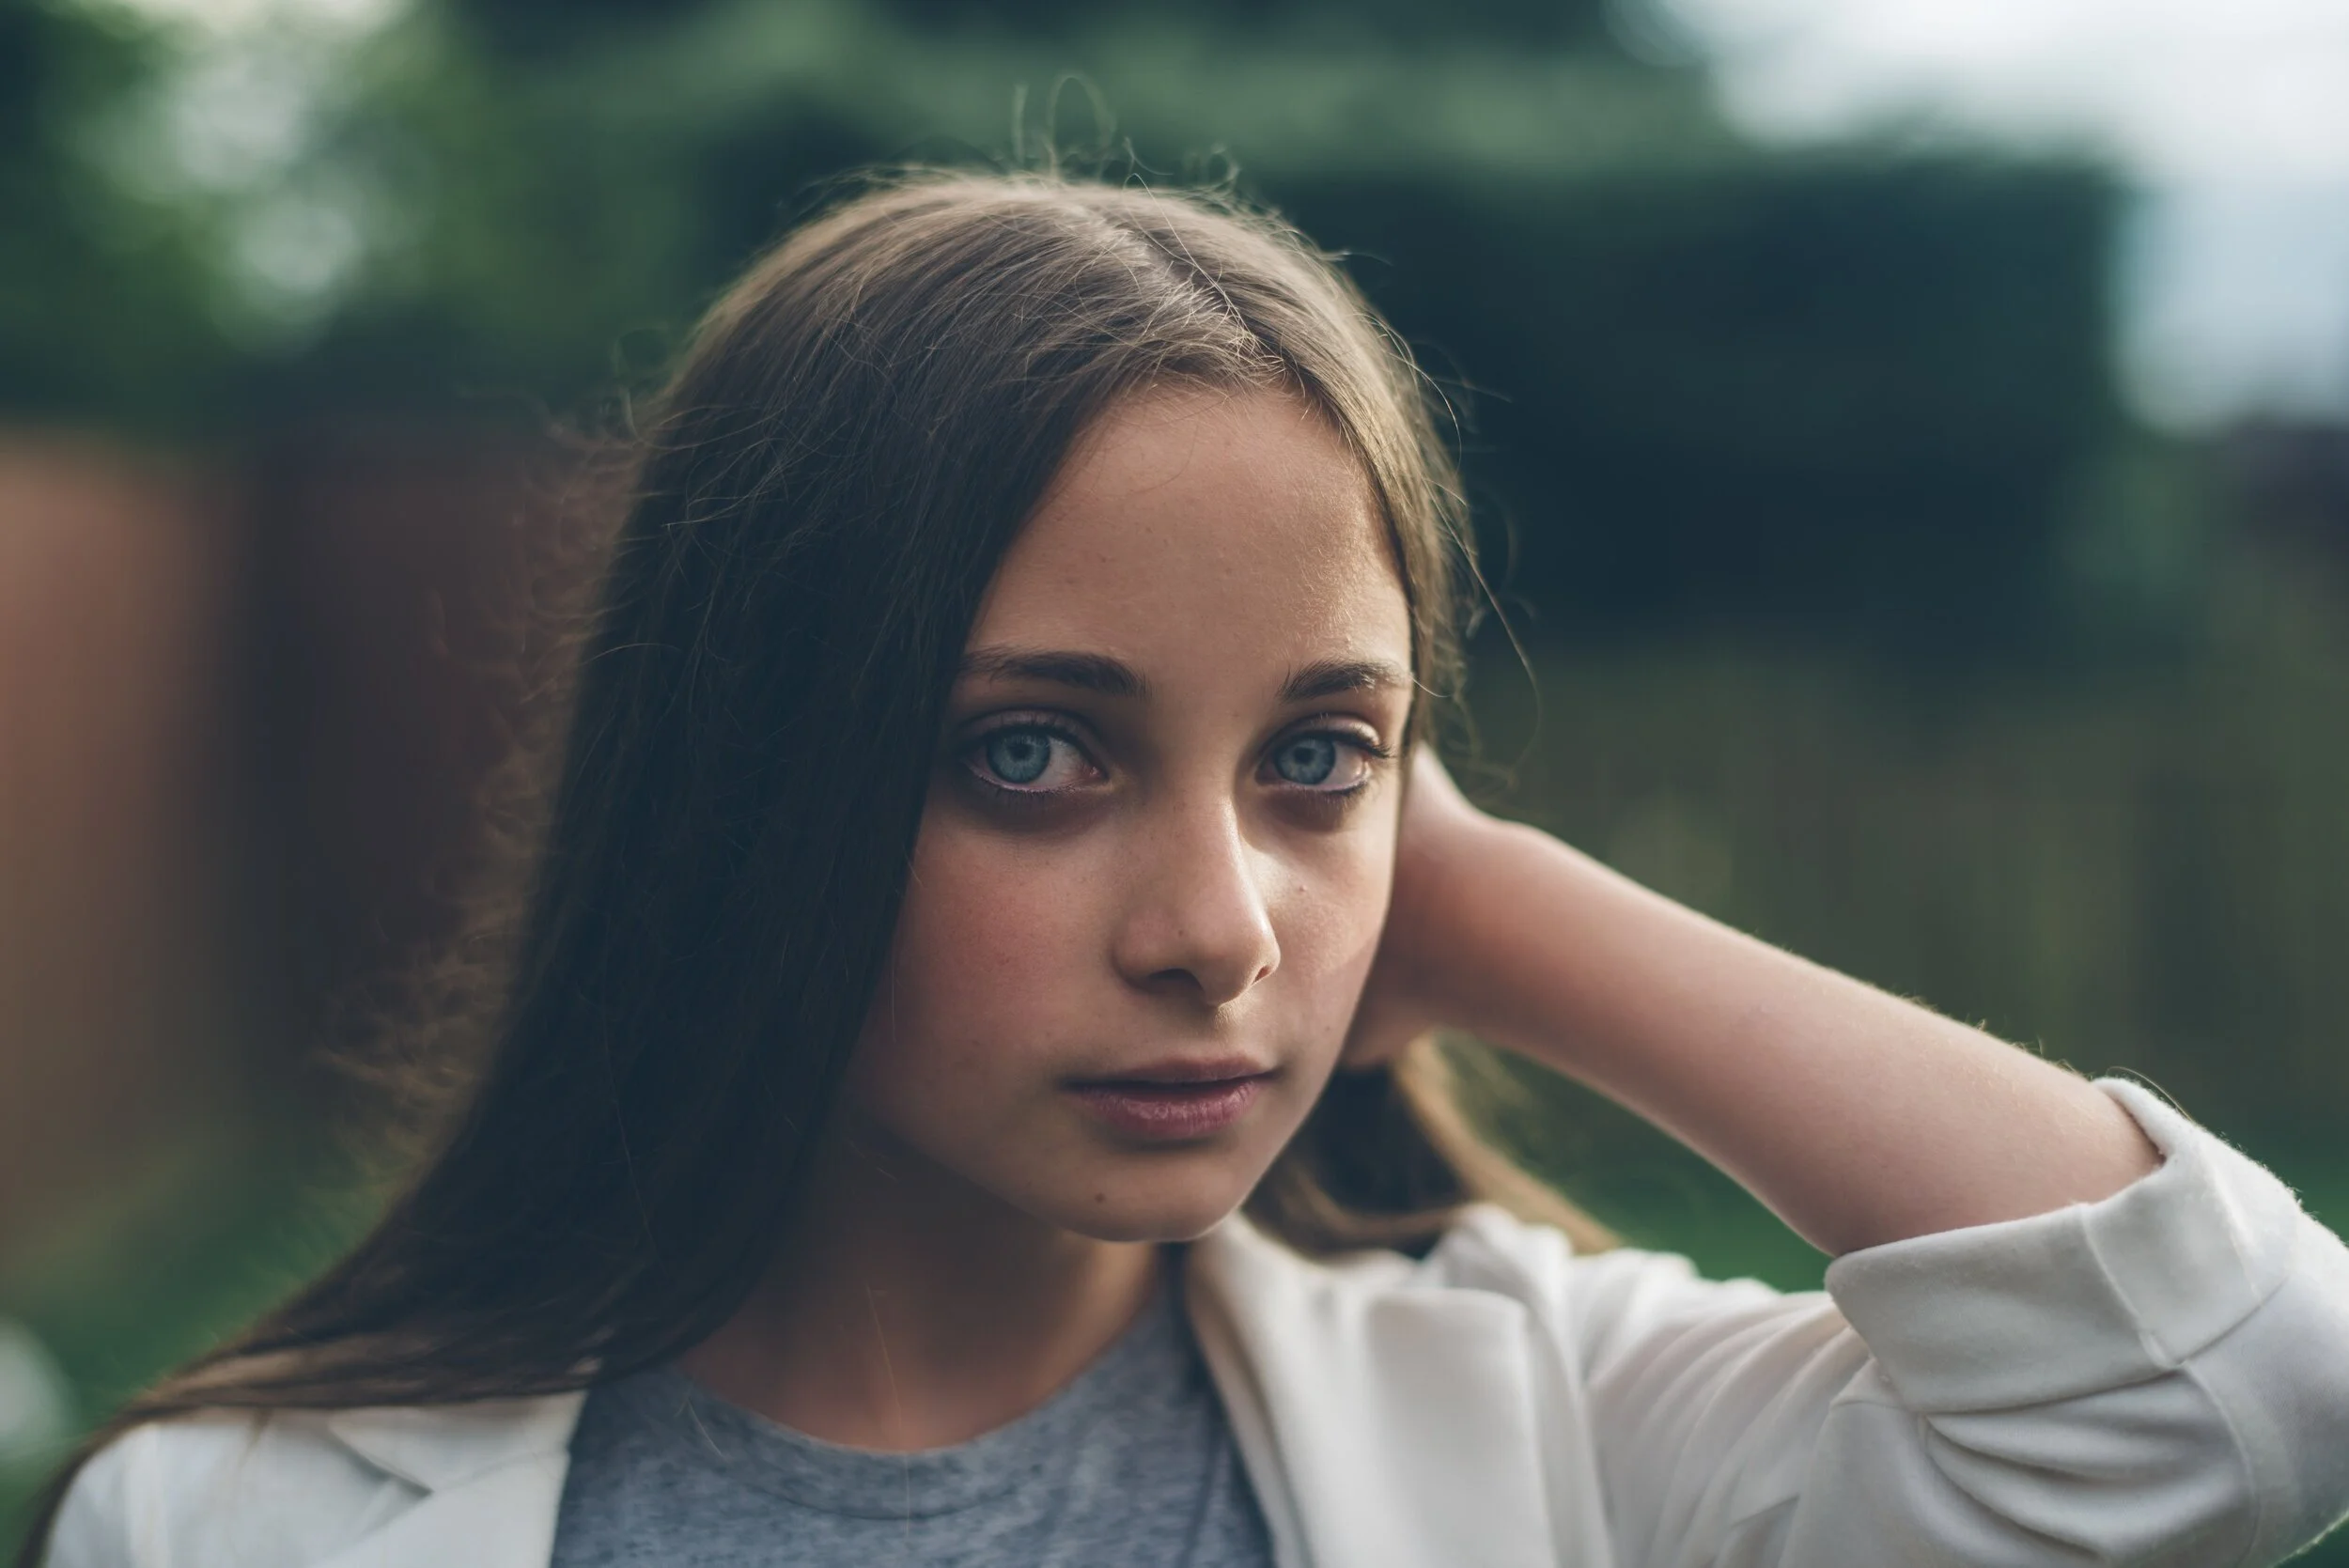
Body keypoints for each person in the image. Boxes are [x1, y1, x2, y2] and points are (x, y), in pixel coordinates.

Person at [24, 168, 2349, 1568]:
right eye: (1030, 752)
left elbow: (2237, 1391)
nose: (1215, 929)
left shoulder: (1545, 1424)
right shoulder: (236, 1522)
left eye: (1314, 755)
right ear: (746, 776)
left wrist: (1474, 893)